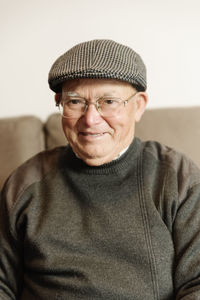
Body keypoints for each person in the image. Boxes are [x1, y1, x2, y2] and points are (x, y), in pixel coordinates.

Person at [0, 39, 200, 300]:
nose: (91, 119)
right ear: (60, 103)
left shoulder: (177, 177)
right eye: (75, 102)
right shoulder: (25, 184)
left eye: (108, 101)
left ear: (138, 106)